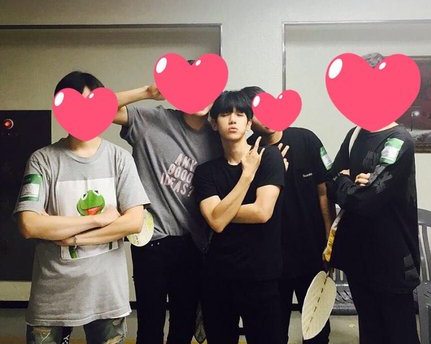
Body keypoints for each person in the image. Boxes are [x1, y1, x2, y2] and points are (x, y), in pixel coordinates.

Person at [14, 71, 149, 344]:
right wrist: (100, 220)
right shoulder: (43, 160)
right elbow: (29, 225)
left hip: (106, 297)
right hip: (52, 297)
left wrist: (72, 237)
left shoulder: (120, 159)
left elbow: (134, 222)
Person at [114, 73, 223, 344]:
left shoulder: (218, 135)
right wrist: (147, 92)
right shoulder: (152, 120)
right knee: (149, 326)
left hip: (195, 243)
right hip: (151, 241)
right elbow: (94, 110)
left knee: (183, 326)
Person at [326, 53, 421, 344]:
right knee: (370, 333)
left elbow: (367, 202)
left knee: (400, 335)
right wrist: (348, 182)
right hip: (359, 258)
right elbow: (330, 180)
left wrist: (345, 182)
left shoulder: (399, 140)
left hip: (392, 261)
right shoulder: (355, 134)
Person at [242, 86, 336, 344]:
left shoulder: (306, 139)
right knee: (272, 330)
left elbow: (324, 192)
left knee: (316, 330)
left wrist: (329, 241)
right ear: (248, 122)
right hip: (271, 258)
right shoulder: (248, 152)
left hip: (311, 252)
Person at [192, 90, 285, 344]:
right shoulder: (205, 172)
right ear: (214, 123)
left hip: (262, 276)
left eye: (240, 114)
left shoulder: (269, 157)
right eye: (225, 114)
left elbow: (262, 212)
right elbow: (216, 223)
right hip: (218, 277)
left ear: (249, 123)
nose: (232, 119)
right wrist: (247, 176)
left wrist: (220, 211)